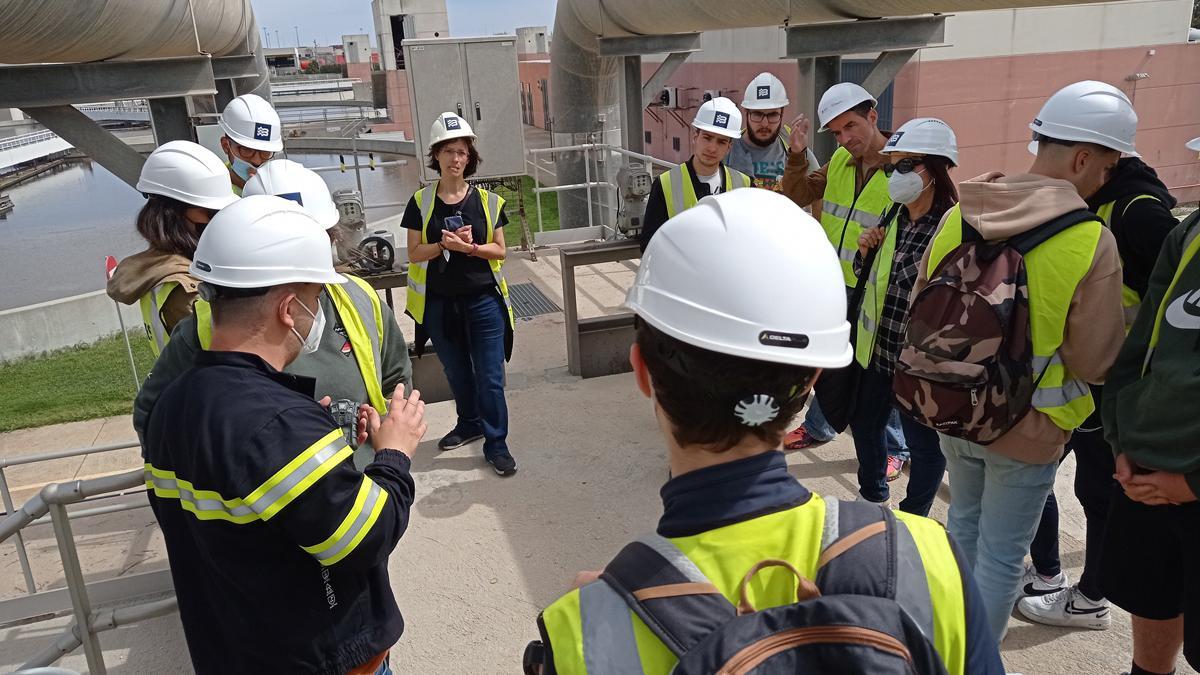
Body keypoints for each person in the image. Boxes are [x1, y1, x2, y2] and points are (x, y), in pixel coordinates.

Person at [528, 189, 1003, 675]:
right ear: (814, 378)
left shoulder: (582, 634)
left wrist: (606, 610)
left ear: (642, 372)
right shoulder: (928, 561)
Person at [143, 195, 425, 674]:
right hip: (318, 660)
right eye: (318, 301)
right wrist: (393, 454)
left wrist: (314, 446)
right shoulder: (277, 426)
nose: (320, 316)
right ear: (289, 309)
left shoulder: (174, 404)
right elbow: (365, 540)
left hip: (235, 651)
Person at [910, 80, 1129, 642]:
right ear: (1083, 157)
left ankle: (947, 642)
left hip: (953, 405)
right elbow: (1096, 359)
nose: (1107, 178)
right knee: (1004, 557)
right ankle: (973, 658)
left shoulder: (963, 213)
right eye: (1107, 166)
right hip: (1027, 428)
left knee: (962, 527)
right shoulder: (1089, 239)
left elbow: (920, 304)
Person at [134, 159, 412, 471]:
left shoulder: (358, 298)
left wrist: (388, 442)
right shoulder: (203, 326)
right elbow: (154, 414)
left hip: (366, 482)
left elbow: (395, 382)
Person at [1019, 149, 1178, 628]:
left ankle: (1091, 597)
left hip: (1118, 388)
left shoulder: (1137, 210)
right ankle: (1056, 576)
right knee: (1065, 480)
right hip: (1096, 383)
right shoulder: (1100, 204)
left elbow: (1174, 303)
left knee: (1099, 490)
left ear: (1089, 160)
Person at [1098, 136, 1200, 675]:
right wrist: (1123, 440)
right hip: (1147, 465)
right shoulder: (1189, 233)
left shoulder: (1142, 213)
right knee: (1152, 593)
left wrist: (1193, 485)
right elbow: (1142, 346)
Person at [778, 82, 907, 466]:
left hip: (876, 291)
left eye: (851, 126)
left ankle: (897, 449)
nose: (845, 138)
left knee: (876, 370)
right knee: (831, 361)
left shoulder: (903, 170)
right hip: (836, 284)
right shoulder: (837, 162)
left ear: (873, 115)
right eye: (836, 132)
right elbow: (798, 194)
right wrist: (798, 154)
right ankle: (821, 426)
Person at [849, 118, 958, 514]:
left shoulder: (954, 226)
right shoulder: (892, 213)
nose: (896, 174)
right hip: (880, 348)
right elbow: (871, 278)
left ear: (936, 168)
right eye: (892, 165)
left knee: (925, 447)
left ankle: (914, 514)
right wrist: (865, 254)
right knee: (865, 424)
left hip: (920, 362)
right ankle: (873, 494)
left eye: (906, 164)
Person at [402, 112, 518, 477]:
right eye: (449, 151)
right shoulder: (420, 202)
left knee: (490, 376)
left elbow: (500, 251)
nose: (456, 159)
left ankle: (496, 444)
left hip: (483, 301)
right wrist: (442, 244)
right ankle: (469, 423)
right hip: (440, 303)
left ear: (470, 158)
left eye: (462, 152)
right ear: (435, 155)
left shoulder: (488, 202)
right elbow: (414, 253)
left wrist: (469, 249)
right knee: (456, 371)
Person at [107, 141, 238, 356]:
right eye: (211, 213)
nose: (217, 221)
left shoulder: (157, 265)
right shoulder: (185, 288)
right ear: (172, 215)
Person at [638, 96, 751, 251]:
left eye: (721, 142)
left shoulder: (744, 184)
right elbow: (649, 244)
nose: (712, 148)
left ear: (729, 147)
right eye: (707, 138)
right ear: (695, 137)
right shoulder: (665, 184)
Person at [725, 72, 818, 192]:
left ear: (782, 113)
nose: (764, 123)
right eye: (757, 114)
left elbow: (818, 191)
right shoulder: (727, 150)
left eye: (773, 115)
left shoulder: (794, 149)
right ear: (746, 113)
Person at [218, 93, 283, 195]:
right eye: (247, 150)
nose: (257, 161)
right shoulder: (214, 191)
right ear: (226, 146)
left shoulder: (283, 186)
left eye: (265, 152)